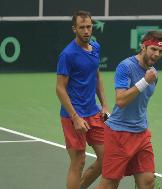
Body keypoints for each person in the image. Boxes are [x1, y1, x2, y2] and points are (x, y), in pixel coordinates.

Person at [94, 31, 162, 189]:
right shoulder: (126, 66)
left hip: (141, 133)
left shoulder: (154, 73)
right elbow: (120, 101)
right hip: (119, 134)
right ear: (143, 47)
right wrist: (144, 82)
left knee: (148, 181)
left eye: (160, 51)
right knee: (109, 184)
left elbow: (141, 103)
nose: (156, 54)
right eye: (153, 49)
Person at [56, 10, 109, 189]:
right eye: (82, 27)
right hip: (73, 116)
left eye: (89, 26)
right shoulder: (67, 55)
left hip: (93, 112)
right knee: (78, 162)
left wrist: (104, 105)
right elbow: (60, 88)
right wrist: (75, 117)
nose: (86, 30)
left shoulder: (96, 48)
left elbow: (96, 77)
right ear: (74, 29)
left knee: (105, 158)